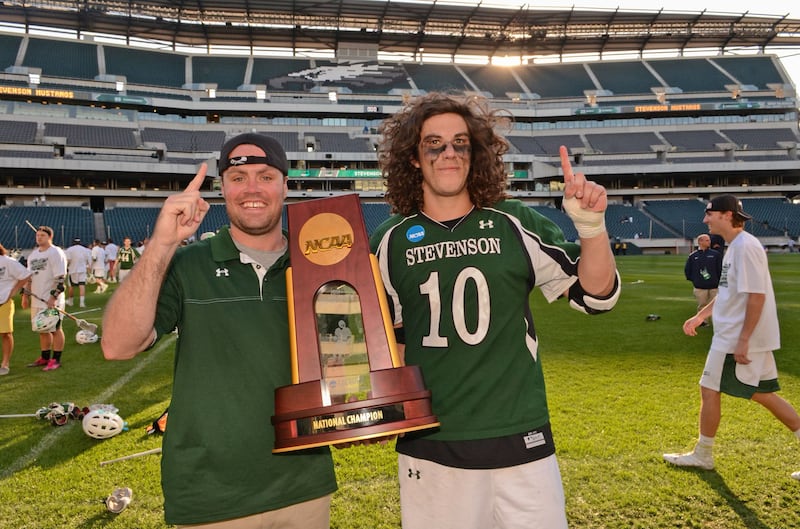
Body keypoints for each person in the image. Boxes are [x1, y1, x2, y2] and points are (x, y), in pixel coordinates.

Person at [370, 93, 621, 529]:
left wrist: (591, 227)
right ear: (413, 158)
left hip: (520, 438)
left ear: (474, 153)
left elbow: (595, 296)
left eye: (459, 143)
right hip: (432, 444)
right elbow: (382, 340)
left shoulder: (513, 221)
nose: (448, 153)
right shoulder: (389, 240)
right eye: (434, 144)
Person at [101, 133, 337, 528]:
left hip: (304, 485)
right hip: (211, 493)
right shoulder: (189, 264)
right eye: (238, 177)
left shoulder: (320, 265)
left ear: (286, 185)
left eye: (265, 176)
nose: (252, 189)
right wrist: (161, 244)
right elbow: (117, 345)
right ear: (222, 188)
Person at [663, 195, 800, 480]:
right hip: (732, 336)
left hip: (735, 338)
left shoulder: (746, 247)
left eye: (708, 213)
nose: (704, 219)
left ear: (726, 215)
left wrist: (744, 339)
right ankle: (703, 453)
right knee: (763, 395)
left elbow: (756, 296)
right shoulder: (734, 247)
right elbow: (728, 294)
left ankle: (703, 454)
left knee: (710, 389)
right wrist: (701, 316)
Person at [21, 226, 67, 371]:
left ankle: (56, 360)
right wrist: (25, 296)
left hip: (51, 299)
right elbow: (29, 278)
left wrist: (53, 298)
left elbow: (61, 278)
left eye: (42, 235)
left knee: (55, 328)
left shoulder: (56, 253)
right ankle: (45, 357)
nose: (39, 237)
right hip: (37, 299)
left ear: (49, 237)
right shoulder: (33, 255)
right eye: (37, 235)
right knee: (42, 329)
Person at [0, 242, 32, 375]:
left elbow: (26, 275)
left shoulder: (7, 262)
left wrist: (13, 291)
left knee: (5, 333)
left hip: (3, 302)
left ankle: (5, 363)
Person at [684, 233, 722, 327]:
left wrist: (718, 281)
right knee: (702, 305)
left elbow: (720, 269)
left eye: (709, 240)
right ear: (700, 242)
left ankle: (717, 322)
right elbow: (688, 270)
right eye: (707, 240)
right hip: (700, 286)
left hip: (714, 285)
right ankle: (703, 322)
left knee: (716, 305)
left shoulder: (715, 254)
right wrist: (696, 280)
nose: (709, 242)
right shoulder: (693, 256)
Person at [64, 238, 92, 307]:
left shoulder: (70, 250)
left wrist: (66, 268)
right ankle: (81, 303)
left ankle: (71, 301)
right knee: (82, 285)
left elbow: (68, 260)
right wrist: (89, 270)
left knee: (71, 286)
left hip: (73, 270)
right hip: (82, 270)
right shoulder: (85, 250)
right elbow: (89, 261)